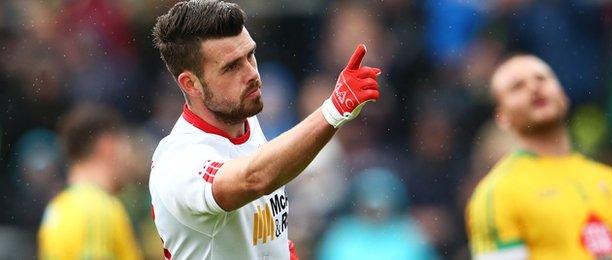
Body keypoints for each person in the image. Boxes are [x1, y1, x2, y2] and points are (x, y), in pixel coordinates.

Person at [149, 0, 381, 259]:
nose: (251, 74)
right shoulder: (179, 161)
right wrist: (333, 110)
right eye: (231, 67)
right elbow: (255, 178)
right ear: (190, 84)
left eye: (250, 55)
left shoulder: (245, 122)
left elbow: (272, 242)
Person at [466, 54, 612, 259]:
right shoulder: (498, 193)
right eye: (517, 86)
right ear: (502, 117)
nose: (534, 87)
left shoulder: (611, 180)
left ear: (563, 95)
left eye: (542, 79)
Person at [38, 104, 142, 259]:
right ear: (107, 146)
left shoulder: (58, 206)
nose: (130, 155)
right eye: (126, 144)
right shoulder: (97, 208)